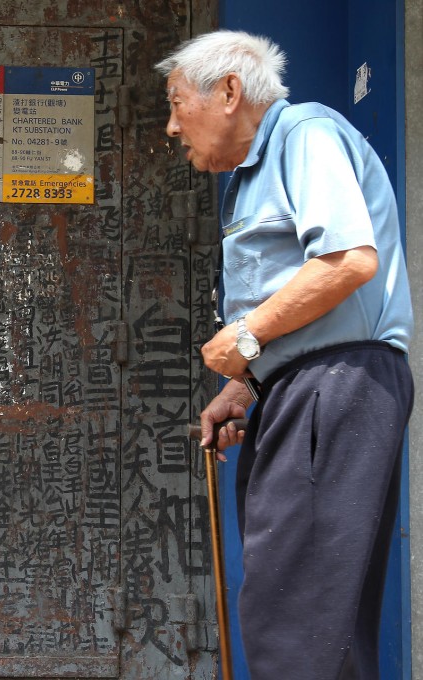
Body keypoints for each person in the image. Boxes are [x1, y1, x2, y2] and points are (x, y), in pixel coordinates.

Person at [156, 30, 414, 680]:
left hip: (336, 385)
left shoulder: (304, 135)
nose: (170, 125)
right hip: (309, 385)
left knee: (297, 618)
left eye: (178, 103)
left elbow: (348, 261)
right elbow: (301, 301)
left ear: (230, 91)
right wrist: (246, 386)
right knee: (315, 619)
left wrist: (246, 339)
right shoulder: (248, 181)